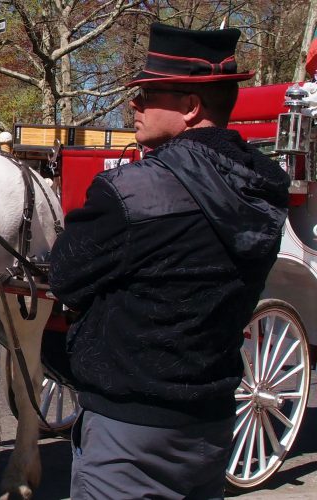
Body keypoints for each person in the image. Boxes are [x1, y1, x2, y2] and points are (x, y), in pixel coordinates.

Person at [49, 23, 290, 499]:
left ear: (189, 107)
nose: (132, 105)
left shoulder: (132, 191)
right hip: (212, 424)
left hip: (128, 432)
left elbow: (65, 279)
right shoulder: (266, 187)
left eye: (146, 95)